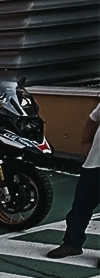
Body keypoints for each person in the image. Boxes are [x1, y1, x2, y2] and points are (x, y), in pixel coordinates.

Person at [46, 101, 100, 266]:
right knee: (80, 206)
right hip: (95, 163)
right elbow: (93, 119)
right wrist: (86, 141)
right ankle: (72, 244)